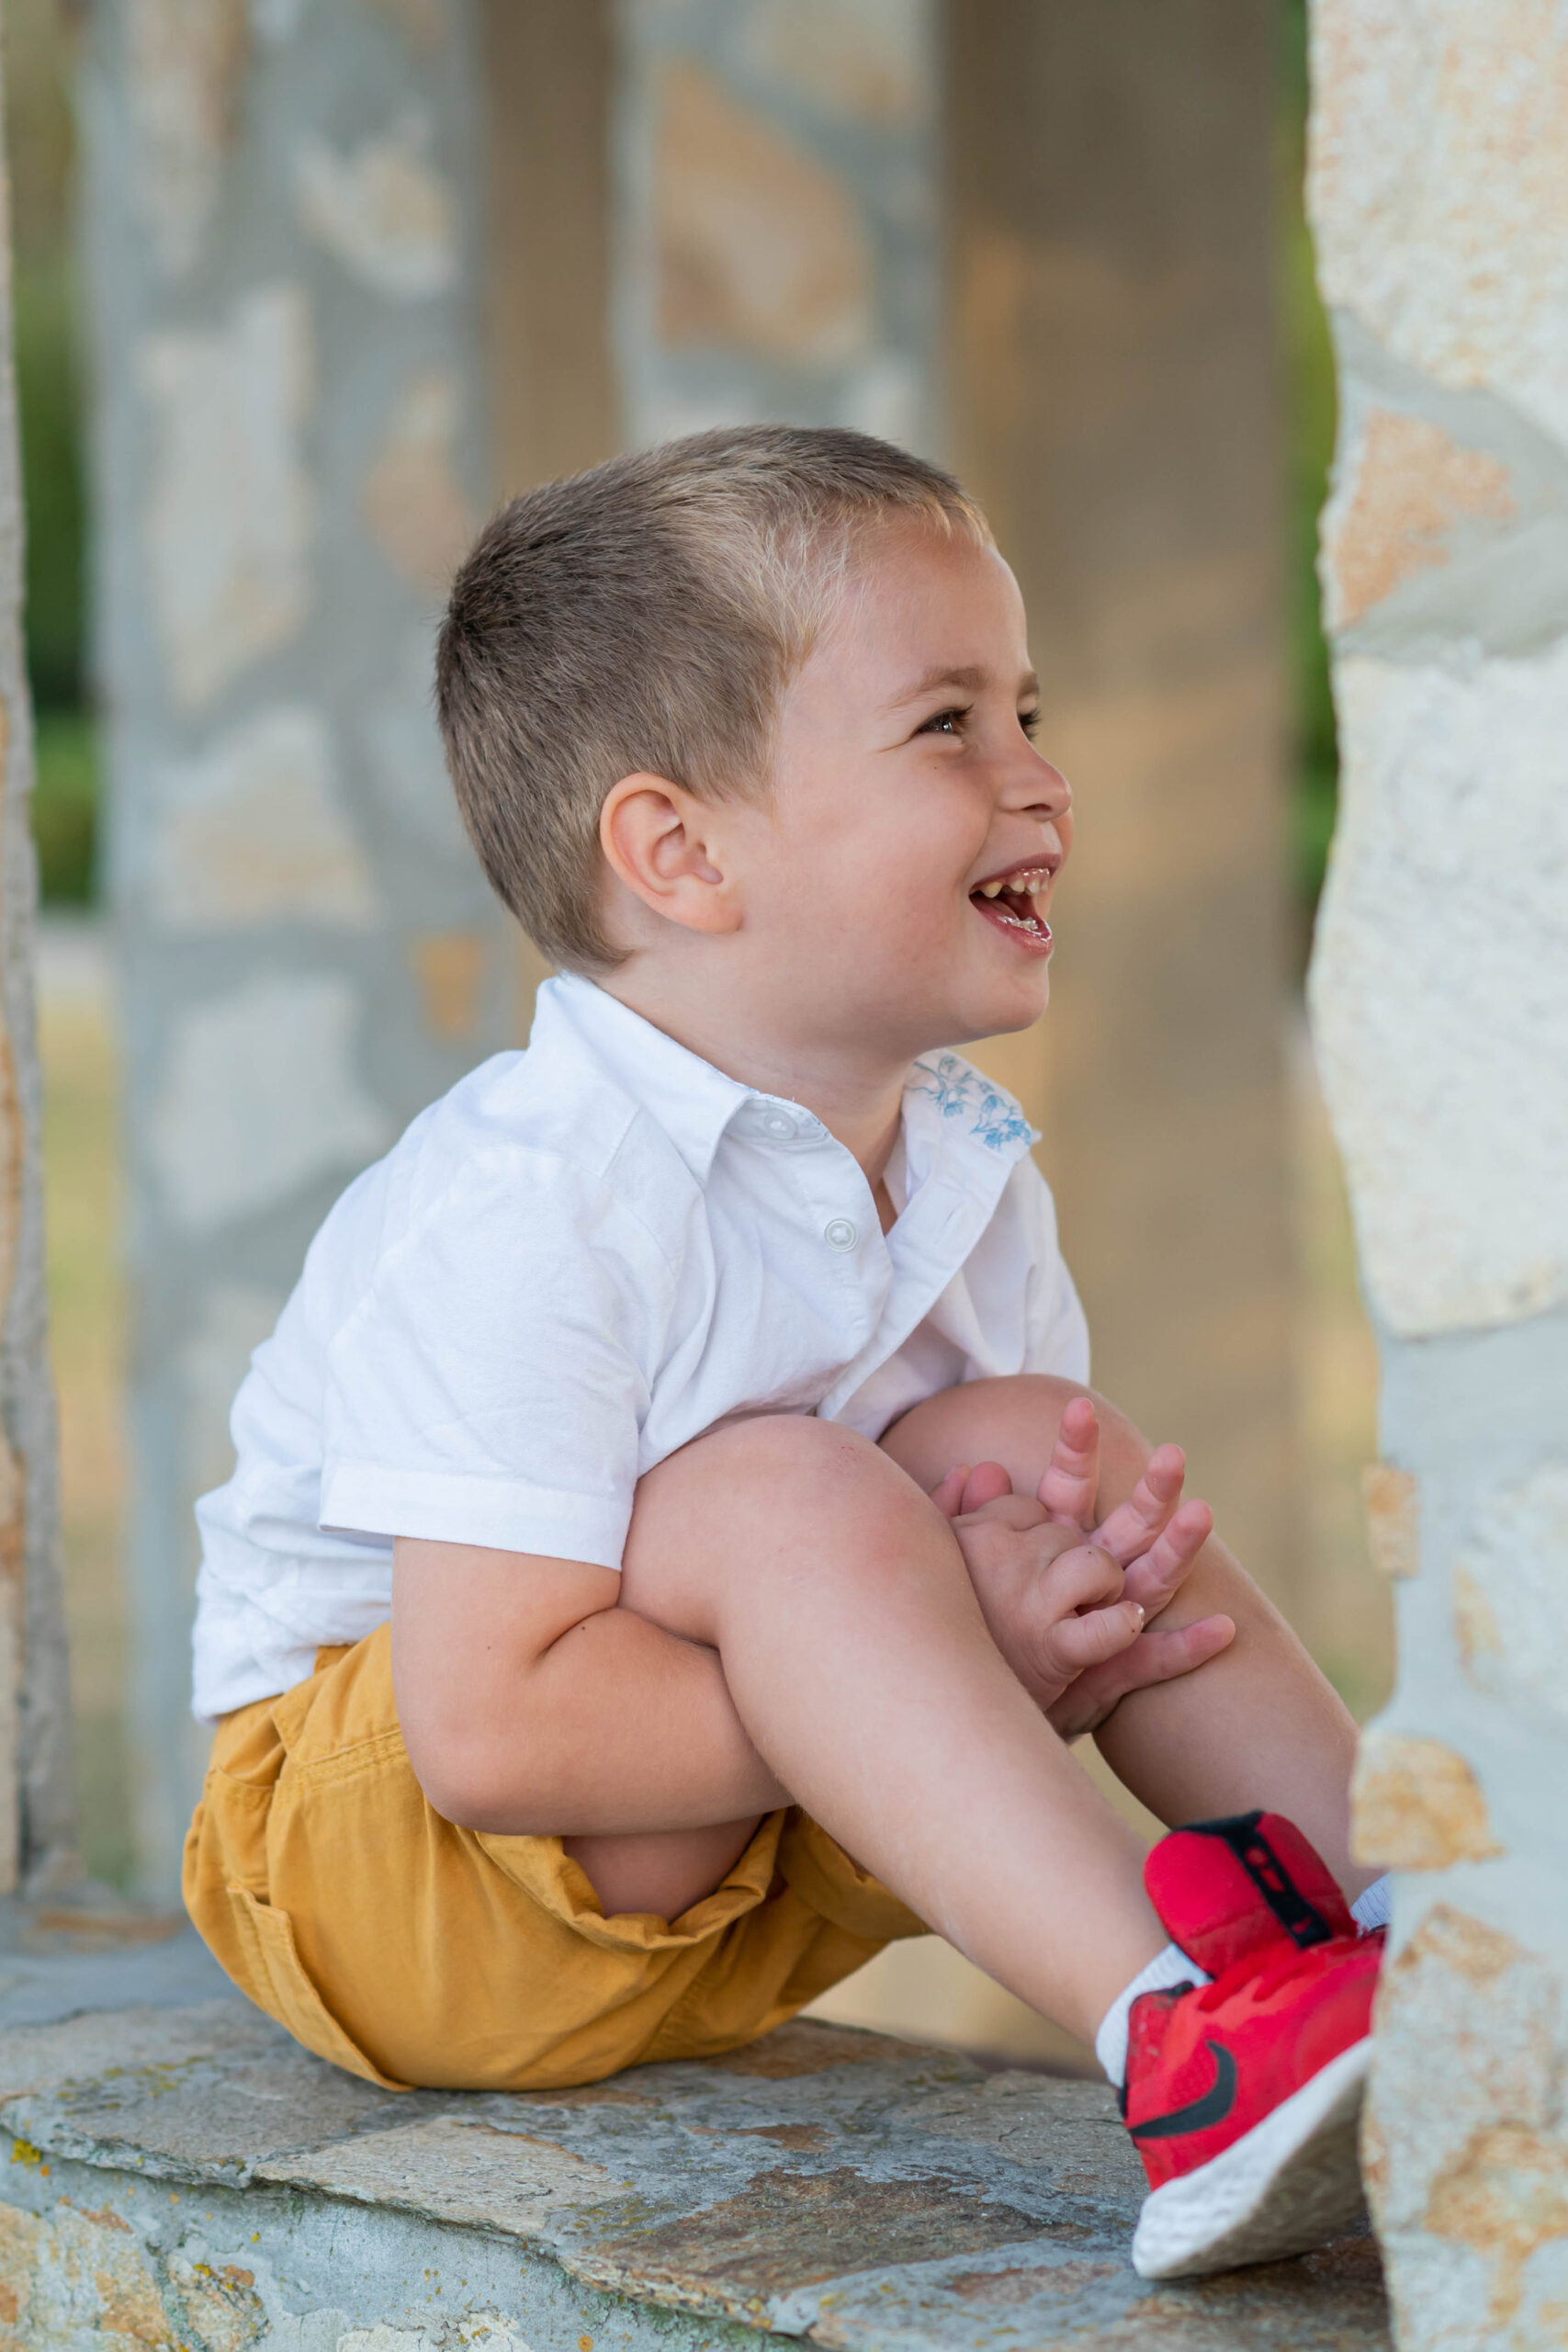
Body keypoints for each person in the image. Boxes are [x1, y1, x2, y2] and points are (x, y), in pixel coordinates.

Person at [184, 427, 1387, 2282]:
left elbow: (981, 1569)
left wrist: (1022, 1608)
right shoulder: (535, 1195)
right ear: (680, 852)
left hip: (735, 1871)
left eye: (1027, 712)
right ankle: (1180, 2042)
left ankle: (1431, 1927)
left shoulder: (967, 1173)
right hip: (392, 1871)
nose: (1038, 775)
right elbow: (488, 1732)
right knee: (781, 1490)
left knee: (1033, 1446)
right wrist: (954, 1651)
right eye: (946, 726)